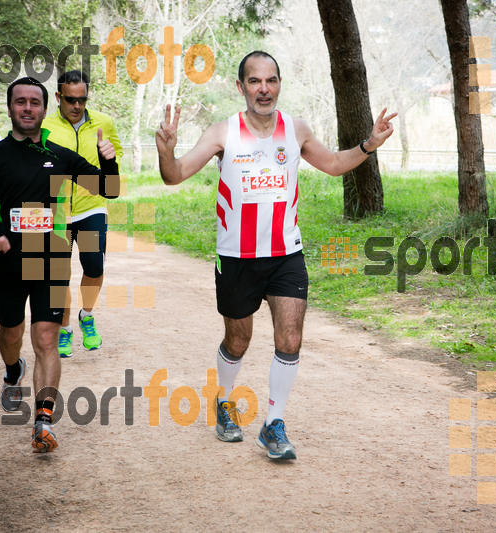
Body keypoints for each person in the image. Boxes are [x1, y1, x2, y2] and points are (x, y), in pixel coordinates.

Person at [155, 51, 396, 460]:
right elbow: (174, 175)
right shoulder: (222, 133)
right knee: (238, 339)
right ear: (241, 87)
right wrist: (166, 149)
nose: (263, 89)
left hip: (286, 254)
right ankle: (225, 403)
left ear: (279, 84)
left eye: (270, 81)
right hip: (236, 257)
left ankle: (273, 424)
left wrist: (369, 144)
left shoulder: (295, 129)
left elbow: (336, 164)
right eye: (254, 81)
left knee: (290, 338)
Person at [0, 77, 120, 453]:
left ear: (45, 110)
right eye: (20, 102)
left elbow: (109, 189)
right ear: (10, 108)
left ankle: (43, 421)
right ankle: (13, 372)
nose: (27, 108)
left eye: (34, 103)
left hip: (52, 260)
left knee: (46, 338)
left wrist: (109, 161)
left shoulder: (60, 155)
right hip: (8, 262)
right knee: (11, 333)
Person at [43, 70, 123, 358]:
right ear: (58, 97)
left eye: (82, 99)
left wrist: (109, 157)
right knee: (59, 276)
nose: (77, 105)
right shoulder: (44, 125)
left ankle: (86, 316)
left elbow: (116, 157)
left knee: (94, 268)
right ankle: (64, 330)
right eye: (70, 99)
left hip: (91, 206)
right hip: (57, 210)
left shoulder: (104, 122)